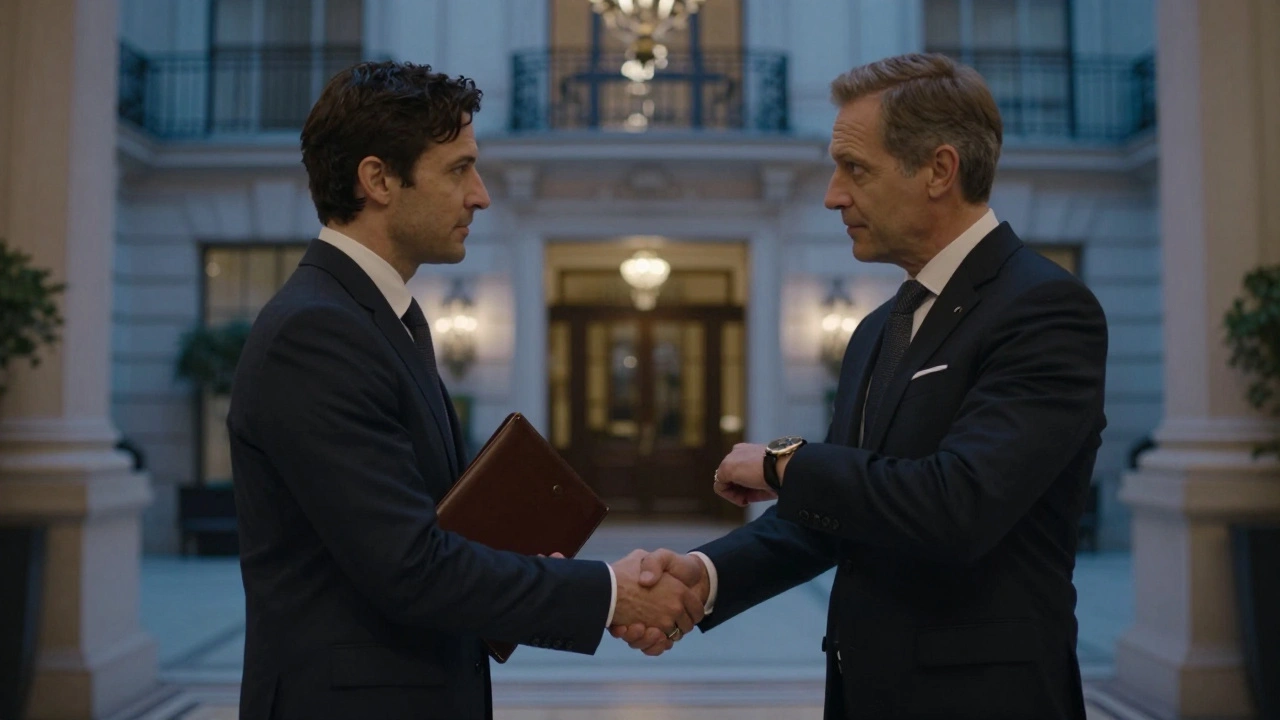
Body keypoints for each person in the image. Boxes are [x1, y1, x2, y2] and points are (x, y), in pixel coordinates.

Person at [614, 52, 1108, 720]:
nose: (832, 194)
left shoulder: (1046, 308)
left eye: (855, 168)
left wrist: (783, 461)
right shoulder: (879, 327)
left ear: (939, 170)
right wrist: (702, 578)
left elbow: (957, 504)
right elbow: (832, 519)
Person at [227, 61, 704, 720]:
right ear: (378, 179)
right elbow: (409, 566)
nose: (480, 195)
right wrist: (610, 593)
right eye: (458, 169)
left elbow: (431, 524)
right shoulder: (317, 331)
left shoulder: (382, 315)